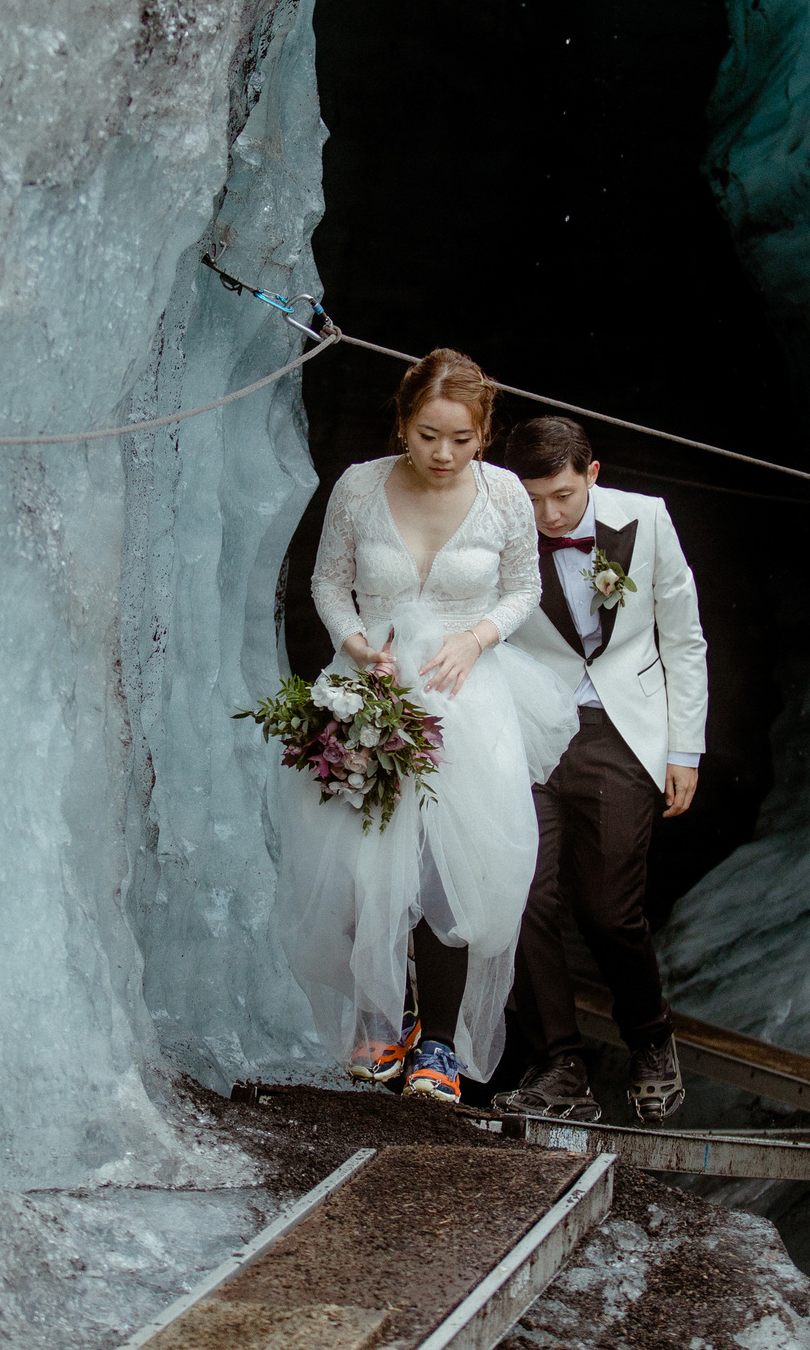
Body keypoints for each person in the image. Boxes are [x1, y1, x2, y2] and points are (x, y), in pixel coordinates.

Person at [280, 350, 579, 1102]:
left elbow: (522, 588)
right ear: (403, 424)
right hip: (372, 692)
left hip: (465, 700)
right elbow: (327, 581)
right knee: (362, 869)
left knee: (448, 873)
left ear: (484, 432)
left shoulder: (504, 494)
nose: (444, 453)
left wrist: (476, 638)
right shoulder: (359, 485)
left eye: (461, 439)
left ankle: (438, 1043)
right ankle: (378, 1025)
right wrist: (355, 643)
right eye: (427, 436)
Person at [492, 416, 708, 1125]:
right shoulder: (496, 526)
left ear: (591, 474)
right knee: (522, 895)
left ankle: (650, 1035)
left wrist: (685, 749)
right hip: (528, 726)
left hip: (622, 729)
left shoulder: (648, 519)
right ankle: (559, 1065)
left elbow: (683, 636)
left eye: (562, 495)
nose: (549, 516)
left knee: (609, 911)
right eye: (533, 499)